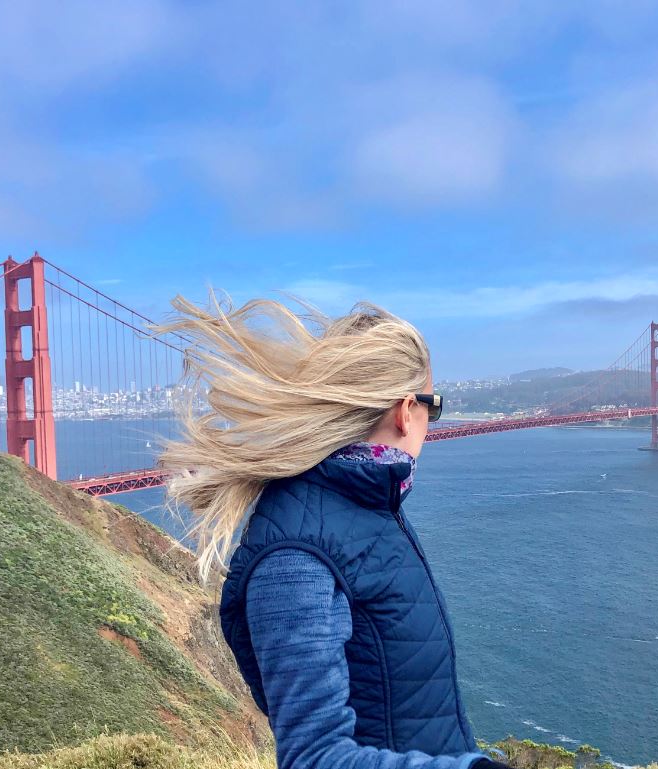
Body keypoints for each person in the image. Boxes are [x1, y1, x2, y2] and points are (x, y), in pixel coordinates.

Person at [154, 293, 513, 769]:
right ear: (407, 410)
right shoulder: (297, 556)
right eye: (435, 405)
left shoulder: (363, 508)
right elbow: (313, 758)